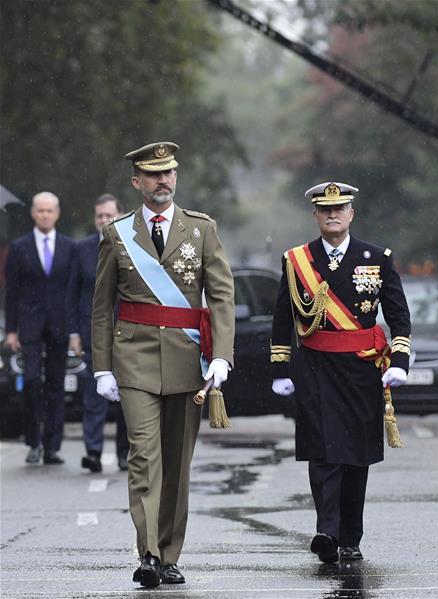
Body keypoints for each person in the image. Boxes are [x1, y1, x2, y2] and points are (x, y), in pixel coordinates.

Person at [91, 142, 235, 587]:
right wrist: (101, 367)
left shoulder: (202, 230)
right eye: (153, 175)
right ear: (137, 182)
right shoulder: (117, 233)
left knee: (176, 463)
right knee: (143, 458)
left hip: (187, 361)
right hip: (132, 360)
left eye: (169, 173)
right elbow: (102, 305)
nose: (163, 181)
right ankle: (149, 554)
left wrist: (222, 356)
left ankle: (171, 553)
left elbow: (222, 295)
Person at [269, 181, 411, 564]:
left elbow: (398, 314)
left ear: (351, 214)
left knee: (355, 455)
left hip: (362, 368)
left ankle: (350, 535)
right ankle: (326, 531)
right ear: (315, 216)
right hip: (314, 368)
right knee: (322, 452)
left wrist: (399, 361)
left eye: (340, 208)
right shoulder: (297, 259)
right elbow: (282, 318)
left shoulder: (376, 257)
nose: (333, 214)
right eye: (325, 209)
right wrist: (280, 367)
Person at [4, 191, 75, 465]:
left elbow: (72, 288)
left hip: (59, 325)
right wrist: (11, 329)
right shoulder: (19, 247)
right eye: (40, 210)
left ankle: (52, 446)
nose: (45, 215)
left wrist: (75, 329)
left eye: (50, 211)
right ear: (33, 213)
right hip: (29, 326)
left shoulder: (70, 247)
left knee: (56, 385)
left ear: (57, 214)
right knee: (33, 381)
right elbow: (11, 292)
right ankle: (33, 442)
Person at [67, 193, 129, 473]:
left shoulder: (132, 245)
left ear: (120, 216)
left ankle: (124, 454)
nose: (104, 220)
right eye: (99, 216)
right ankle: (92, 453)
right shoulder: (81, 249)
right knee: (94, 396)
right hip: (92, 330)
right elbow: (72, 293)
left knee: (127, 396)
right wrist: (73, 333)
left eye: (109, 215)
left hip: (128, 331)